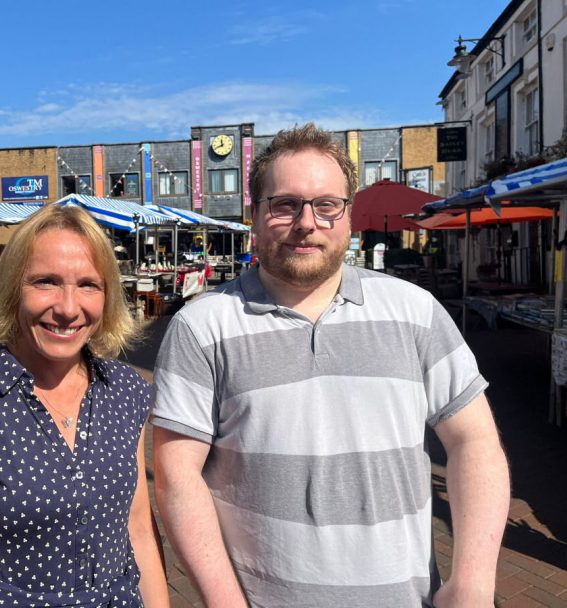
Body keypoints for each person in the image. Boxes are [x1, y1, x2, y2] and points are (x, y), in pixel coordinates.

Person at [151, 123, 510, 607]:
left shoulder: (416, 311)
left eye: (326, 204)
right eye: (284, 204)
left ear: (347, 215)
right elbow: (176, 477)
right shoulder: (202, 327)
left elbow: (474, 441)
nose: (306, 222)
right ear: (254, 214)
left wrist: (472, 581)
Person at [0, 205, 170, 608]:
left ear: (108, 295)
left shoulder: (126, 391)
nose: (67, 307)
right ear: (12, 289)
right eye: (45, 282)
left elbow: (138, 530)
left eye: (88, 285)